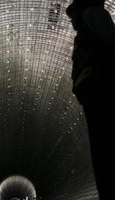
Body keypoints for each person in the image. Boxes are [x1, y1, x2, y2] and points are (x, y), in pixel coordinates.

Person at [66, 0, 114, 199]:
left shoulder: (93, 14)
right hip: (95, 95)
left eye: (72, 15)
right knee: (102, 150)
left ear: (81, 10)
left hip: (103, 92)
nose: (71, 21)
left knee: (105, 149)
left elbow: (111, 41)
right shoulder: (85, 29)